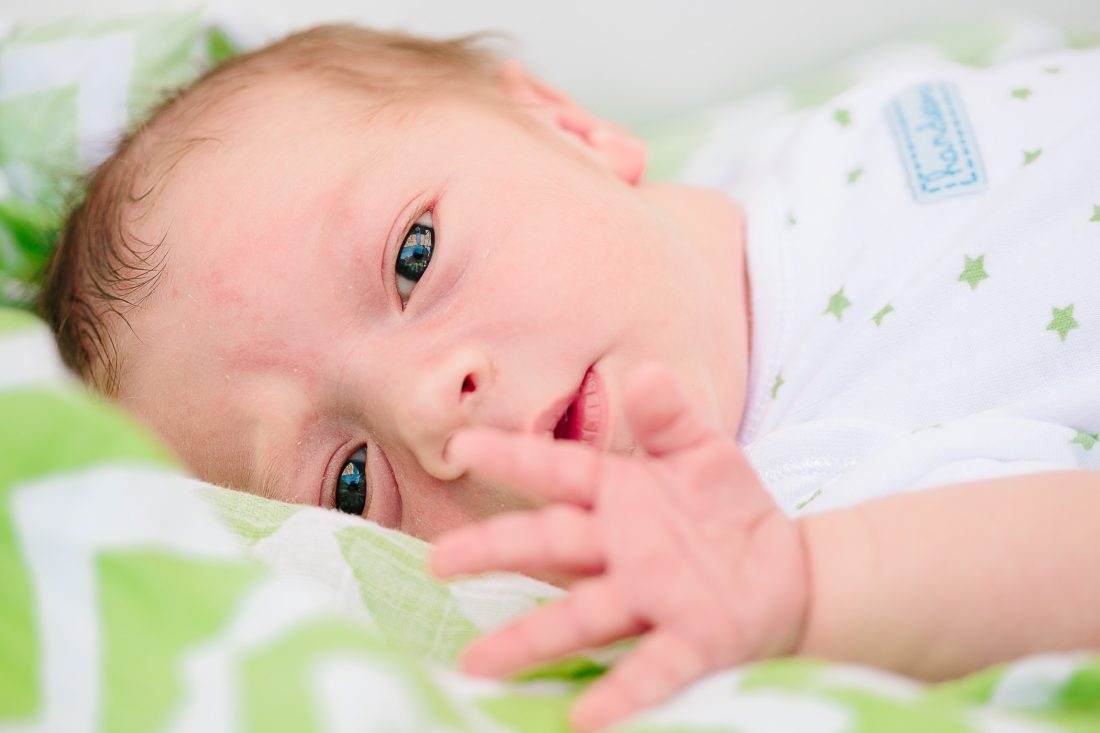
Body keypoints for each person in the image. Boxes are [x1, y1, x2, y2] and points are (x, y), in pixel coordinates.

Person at [37, 24, 1100, 732]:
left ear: (566, 125)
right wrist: (817, 589)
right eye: (350, 481)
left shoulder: (781, 146)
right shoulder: (805, 511)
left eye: (414, 257)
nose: (424, 408)